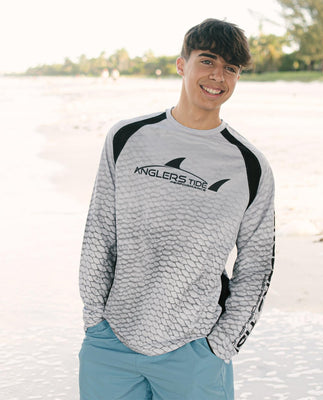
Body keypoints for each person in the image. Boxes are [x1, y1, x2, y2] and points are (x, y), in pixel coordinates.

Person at [78, 18, 275, 400]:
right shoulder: (127, 138)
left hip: (196, 352)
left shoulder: (250, 165)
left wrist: (221, 346)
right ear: (182, 64)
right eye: (208, 61)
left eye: (230, 68)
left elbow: (257, 267)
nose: (218, 76)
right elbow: (99, 234)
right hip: (111, 344)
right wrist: (94, 321)